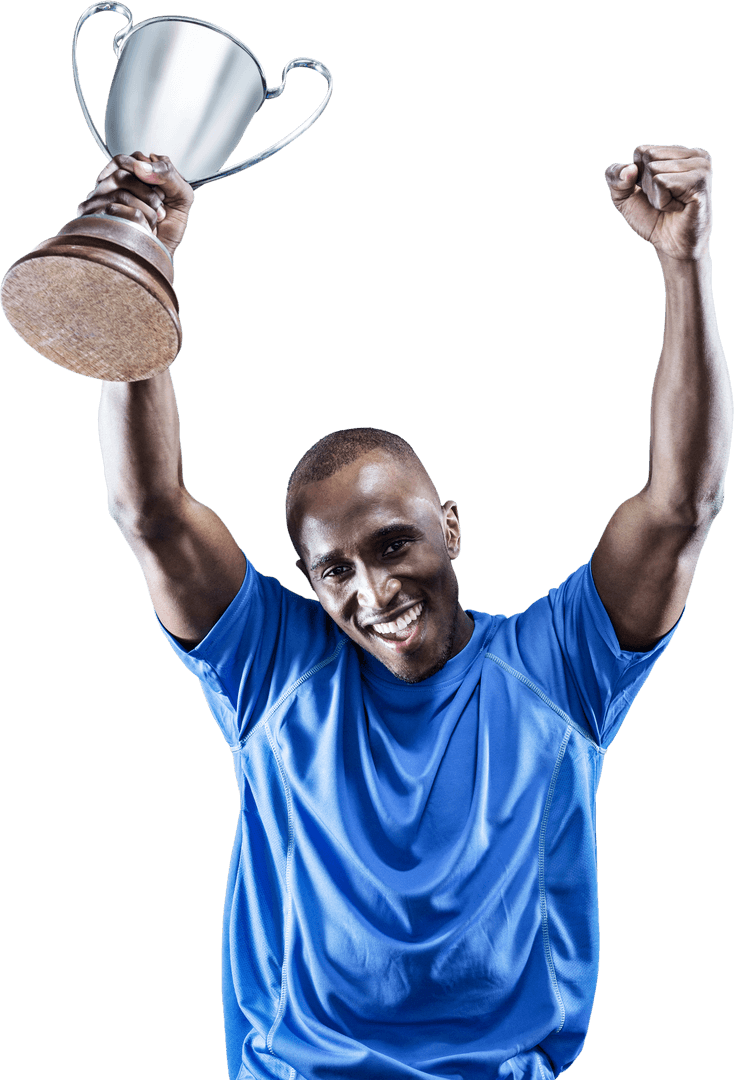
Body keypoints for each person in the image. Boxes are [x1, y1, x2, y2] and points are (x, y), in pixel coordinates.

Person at [80, 145, 731, 1079]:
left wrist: (686, 262)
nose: (373, 593)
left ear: (451, 526)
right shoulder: (276, 669)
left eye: (393, 545)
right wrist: (140, 261)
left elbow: (682, 509)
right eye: (333, 570)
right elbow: (148, 510)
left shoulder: (556, 670)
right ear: (306, 578)